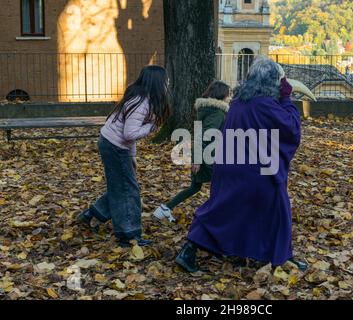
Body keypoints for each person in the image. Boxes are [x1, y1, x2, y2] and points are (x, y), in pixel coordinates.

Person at [175, 57, 308, 272]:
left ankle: (191, 249)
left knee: (223, 208)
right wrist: (286, 99)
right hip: (256, 170)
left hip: (230, 164)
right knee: (277, 210)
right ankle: (281, 258)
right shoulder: (266, 105)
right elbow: (292, 129)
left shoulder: (238, 103)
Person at [77, 65, 171, 247]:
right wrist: (151, 128)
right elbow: (130, 133)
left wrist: (132, 155)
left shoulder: (141, 98)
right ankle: (129, 235)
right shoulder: (142, 103)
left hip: (113, 144)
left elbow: (128, 135)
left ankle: (90, 215)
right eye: (165, 80)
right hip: (114, 146)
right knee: (128, 190)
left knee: (120, 186)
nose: (167, 84)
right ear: (156, 83)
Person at [153, 81, 231, 222]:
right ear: (222, 95)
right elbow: (206, 136)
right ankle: (214, 216)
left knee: (195, 187)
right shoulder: (218, 113)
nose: (229, 98)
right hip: (209, 156)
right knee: (223, 185)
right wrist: (197, 160)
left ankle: (165, 208)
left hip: (201, 154)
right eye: (227, 95)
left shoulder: (206, 109)